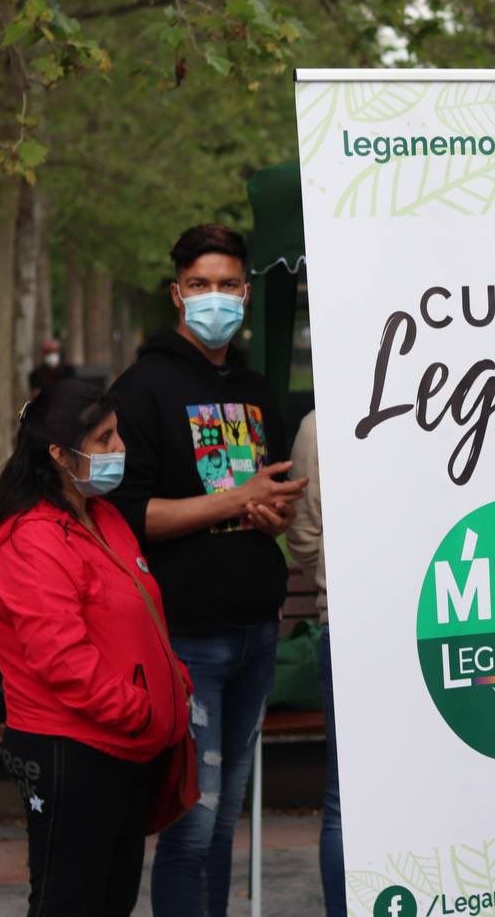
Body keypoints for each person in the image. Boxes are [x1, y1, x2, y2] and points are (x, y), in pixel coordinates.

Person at [106, 224, 307, 917]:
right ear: (176, 293)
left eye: (227, 285)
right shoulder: (141, 389)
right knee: (190, 826)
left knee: (223, 826)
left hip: (255, 631)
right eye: (200, 285)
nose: (214, 298)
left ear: (246, 293)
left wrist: (272, 516)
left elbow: (267, 493)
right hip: (184, 637)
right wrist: (235, 497)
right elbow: (128, 517)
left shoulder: (254, 389)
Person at [0, 379, 191, 917]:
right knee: (69, 901)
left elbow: (137, 611)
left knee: (111, 900)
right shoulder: (31, 539)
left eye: (118, 435)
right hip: (74, 751)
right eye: (105, 440)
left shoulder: (100, 515)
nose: (120, 450)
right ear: (60, 455)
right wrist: (140, 710)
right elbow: (62, 658)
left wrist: (172, 681)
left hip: (125, 748)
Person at [284, 409, 345, 916]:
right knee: (347, 799)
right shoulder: (320, 424)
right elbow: (302, 534)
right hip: (353, 632)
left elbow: (305, 535)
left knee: (345, 800)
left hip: (345, 623)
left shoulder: (319, 423)